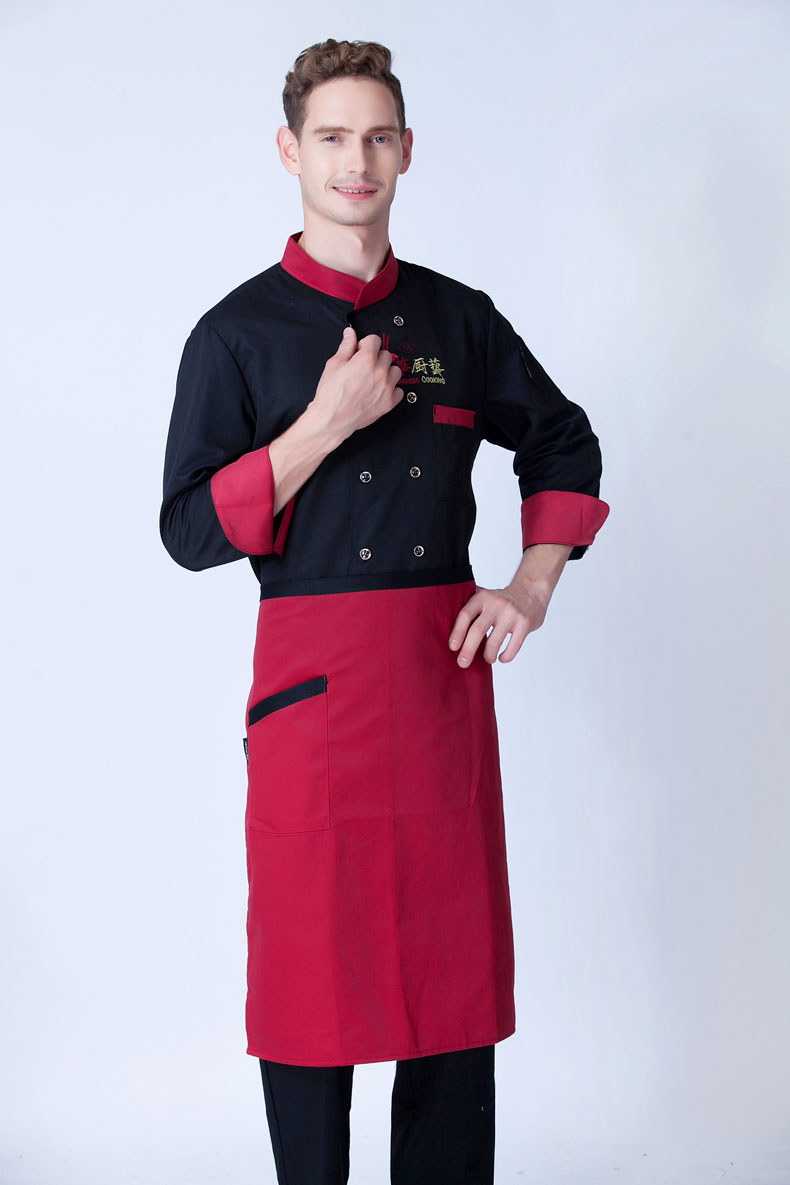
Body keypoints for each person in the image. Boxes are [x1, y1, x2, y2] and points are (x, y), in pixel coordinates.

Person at [159, 37, 610, 1185]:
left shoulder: (459, 320)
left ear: (407, 151)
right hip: (311, 696)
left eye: (375, 137)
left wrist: (529, 584)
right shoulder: (236, 334)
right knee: (310, 988)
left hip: (436, 682)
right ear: (289, 151)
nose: (354, 161)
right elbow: (190, 530)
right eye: (330, 138)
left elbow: (562, 441)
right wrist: (323, 424)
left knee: (448, 989)